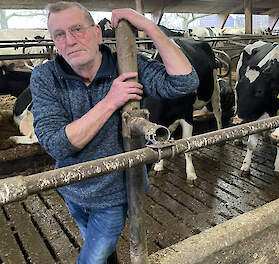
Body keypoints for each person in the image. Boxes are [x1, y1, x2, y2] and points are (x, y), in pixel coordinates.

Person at [30, 2, 199, 263]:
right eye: (59, 35)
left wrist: (148, 26)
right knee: (102, 252)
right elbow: (57, 144)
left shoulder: (128, 64)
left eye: (77, 29)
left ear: (98, 33)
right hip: (72, 188)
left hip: (114, 192)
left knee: (91, 258)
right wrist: (111, 101)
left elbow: (185, 82)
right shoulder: (46, 76)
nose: (70, 41)